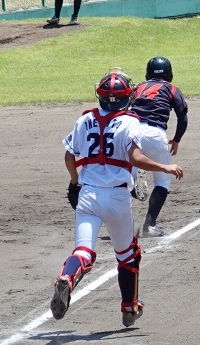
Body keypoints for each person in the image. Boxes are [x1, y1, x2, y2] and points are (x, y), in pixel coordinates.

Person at [51, 68, 183, 327]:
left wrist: (75, 182)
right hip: (116, 198)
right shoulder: (131, 122)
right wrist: (164, 167)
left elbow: (69, 156)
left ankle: (66, 277)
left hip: (88, 195)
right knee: (128, 254)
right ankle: (129, 308)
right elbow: (136, 158)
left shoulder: (84, 120)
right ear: (128, 97)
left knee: (83, 251)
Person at [130, 56, 189, 238]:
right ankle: (149, 226)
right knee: (162, 182)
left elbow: (122, 108)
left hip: (132, 130)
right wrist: (176, 140)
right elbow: (183, 117)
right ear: (169, 74)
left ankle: (133, 181)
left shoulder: (138, 87)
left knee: (126, 176)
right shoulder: (172, 89)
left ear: (147, 74)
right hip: (155, 134)